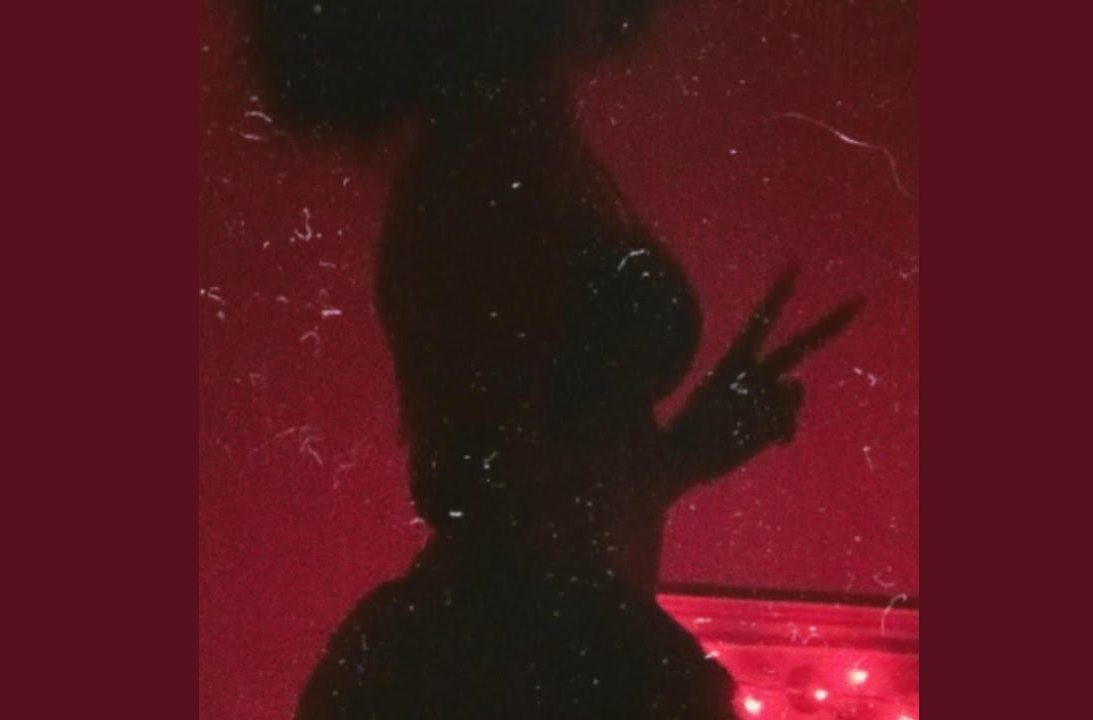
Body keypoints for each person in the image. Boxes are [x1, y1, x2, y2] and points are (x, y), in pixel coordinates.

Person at [251, 1, 860, 716]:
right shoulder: (493, 158)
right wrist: (661, 472)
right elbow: (486, 474)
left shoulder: (505, 145)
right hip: (537, 656)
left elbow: (502, 473)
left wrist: (673, 461)